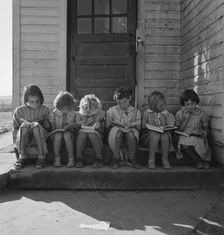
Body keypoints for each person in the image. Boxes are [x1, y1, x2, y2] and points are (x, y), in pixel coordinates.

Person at [13, 84, 50, 169]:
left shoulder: (45, 110)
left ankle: (41, 157)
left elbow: (49, 128)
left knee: (35, 126)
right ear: (26, 100)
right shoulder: (19, 111)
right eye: (32, 102)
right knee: (24, 125)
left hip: (40, 135)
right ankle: (22, 156)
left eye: (38, 101)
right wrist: (15, 145)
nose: (35, 104)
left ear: (41, 98)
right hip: (24, 136)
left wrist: (47, 125)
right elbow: (15, 129)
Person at [106, 87, 141, 169]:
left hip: (131, 131)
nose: (122, 105)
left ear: (130, 98)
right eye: (119, 103)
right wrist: (113, 124)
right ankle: (116, 158)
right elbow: (107, 126)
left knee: (131, 134)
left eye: (124, 102)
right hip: (116, 132)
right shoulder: (111, 110)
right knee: (118, 133)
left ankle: (131, 158)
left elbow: (139, 128)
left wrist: (133, 125)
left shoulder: (136, 111)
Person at [175, 89, 211, 169]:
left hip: (198, 136)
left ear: (196, 102)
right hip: (184, 136)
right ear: (183, 104)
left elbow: (206, 128)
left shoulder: (202, 113)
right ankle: (198, 161)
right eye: (187, 104)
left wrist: (206, 133)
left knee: (200, 143)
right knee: (185, 145)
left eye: (192, 103)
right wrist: (185, 119)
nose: (190, 106)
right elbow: (177, 130)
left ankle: (203, 160)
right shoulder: (180, 113)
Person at [141, 91, 175, 169]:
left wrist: (166, 124)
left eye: (164, 105)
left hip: (163, 135)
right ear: (153, 105)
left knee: (165, 136)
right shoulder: (146, 113)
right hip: (149, 137)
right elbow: (143, 127)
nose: (163, 107)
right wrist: (150, 127)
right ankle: (151, 160)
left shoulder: (165, 113)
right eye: (161, 105)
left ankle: (165, 159)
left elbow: (171, 124)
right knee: (155, 135)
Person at [49, 91, 80, 168]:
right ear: (60, 106)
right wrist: (58, 130)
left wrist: (71, 126)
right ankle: (57, 158)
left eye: (69, 108)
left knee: (66, 135)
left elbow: (78, 125)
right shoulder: (53, 114)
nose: (68, 110)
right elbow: (52, 128)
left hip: (69, 137)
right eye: (64, 108)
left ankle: (71, 158)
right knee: (58, 135)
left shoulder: (74, 114)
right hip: (56, 137)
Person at [75, 94, 105, 169]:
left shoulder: (101, 114)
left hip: (96, 138)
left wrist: (98, 127)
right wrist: (84, 123)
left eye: (91, 110)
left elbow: (103, 131)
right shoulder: (79, 115)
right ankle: (79, 158)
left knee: (92, 134)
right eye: (86, 111)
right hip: (82, 138)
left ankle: (99, 158)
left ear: (96, 107)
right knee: (82, 134)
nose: (88, 113)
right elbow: (76, 129)